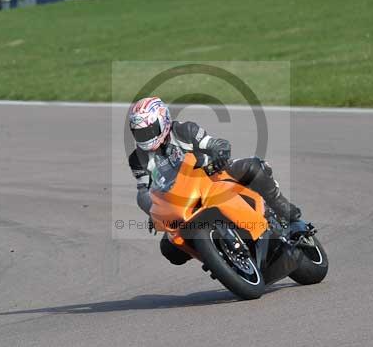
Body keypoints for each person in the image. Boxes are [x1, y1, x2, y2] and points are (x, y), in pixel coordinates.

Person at [127, 96, 302, 265]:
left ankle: (281, 205)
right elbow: (144, 190)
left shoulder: (184, 130)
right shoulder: (137, 159)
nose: (145, 137)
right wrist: (154, 211)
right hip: (179, 202)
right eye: (140, 133)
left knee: (252, 167)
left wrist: (220, 152)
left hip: (212, 174)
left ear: (163, 121)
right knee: (169, 249)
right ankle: (215, 258)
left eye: (149, 131)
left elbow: (212, 143)